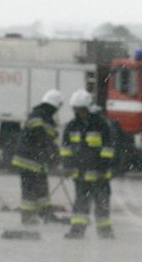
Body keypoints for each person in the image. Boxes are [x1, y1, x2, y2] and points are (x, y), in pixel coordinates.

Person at [59, 89, 116, 239]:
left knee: (102, 204)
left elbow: (108, 148)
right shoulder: (72, 126)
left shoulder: (101, 124)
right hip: (81, 173)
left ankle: (105, 232)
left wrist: (103, 167)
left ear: (88, 109)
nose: (79, 113)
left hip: (99, 174)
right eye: (76, 110)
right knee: (80, 204)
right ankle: (77, 231)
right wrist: (67, 166)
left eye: (81, 110)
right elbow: (66, 149)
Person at [12, 89, 66, 224]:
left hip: (36, 159)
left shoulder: (45, 117)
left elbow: (49, 139)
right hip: (29, 159)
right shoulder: (38, 115)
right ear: (54, 105)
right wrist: (52, 153)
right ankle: (27, 217)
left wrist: (54, 154)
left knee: (42, 187)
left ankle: (46, 214)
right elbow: (40, 136)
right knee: (29, 190)